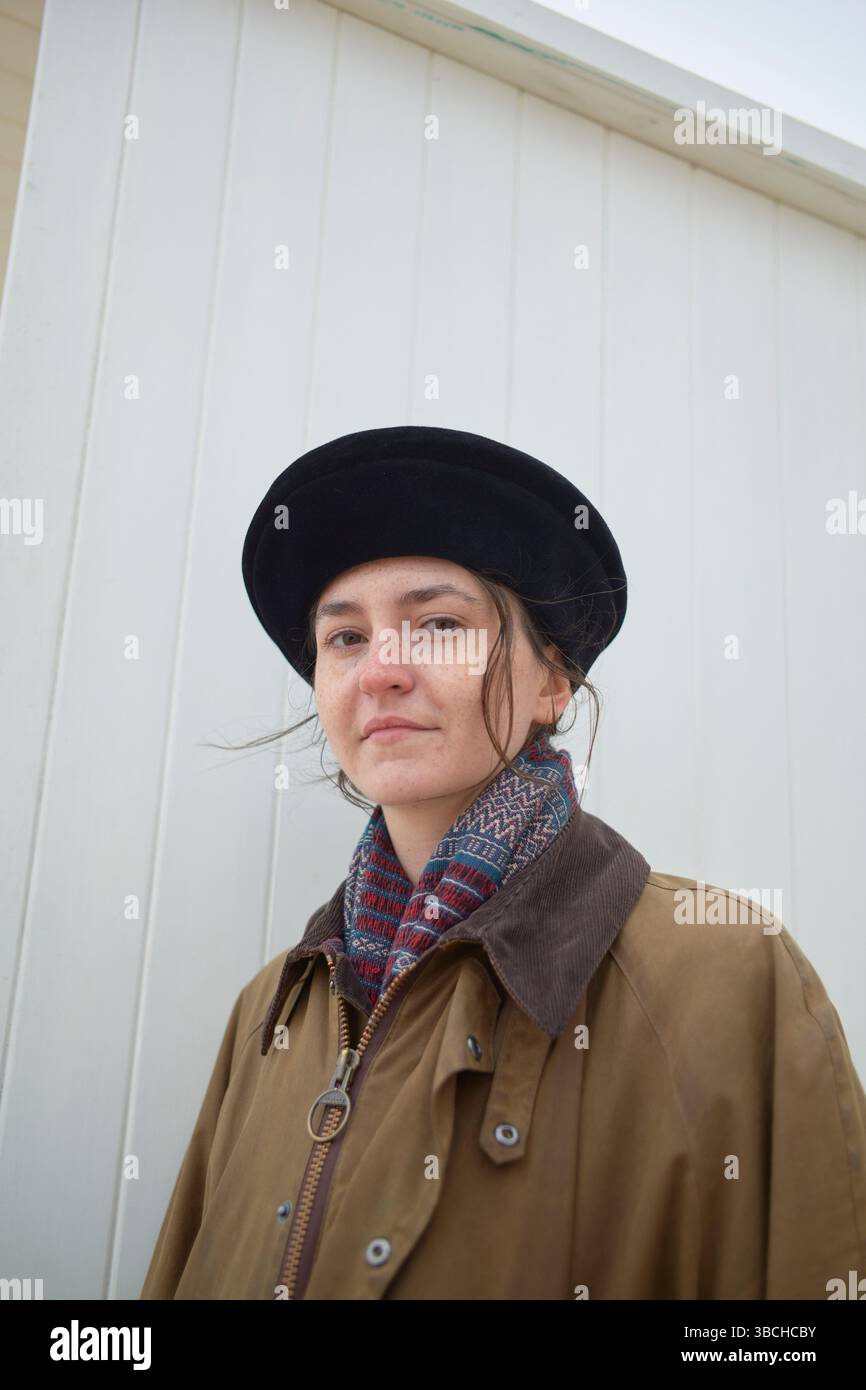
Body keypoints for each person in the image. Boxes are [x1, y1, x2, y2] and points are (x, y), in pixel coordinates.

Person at [140, 425, 866, 1300]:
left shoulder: (730, 976)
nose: (381, 672)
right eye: (345, 638)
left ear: (553, 684)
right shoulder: (273, 1009)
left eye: (439, 624)